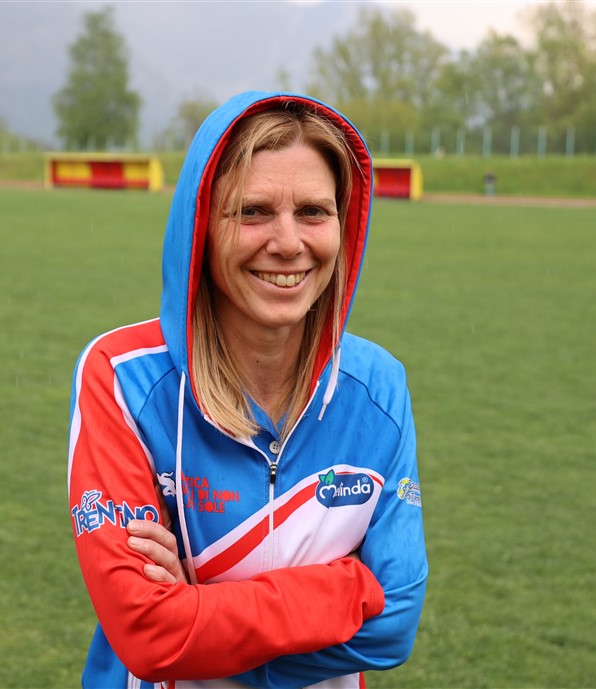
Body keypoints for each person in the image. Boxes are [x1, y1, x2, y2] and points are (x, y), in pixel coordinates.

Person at [67, 91, 427, 689]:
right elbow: (148, 634)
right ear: (201, 227)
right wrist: (346, 589)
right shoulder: (122, 377)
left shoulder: (378, 387)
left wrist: (200, 613)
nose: (288, 242)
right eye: (253, 211)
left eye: (313, 212)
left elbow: (394, 625)